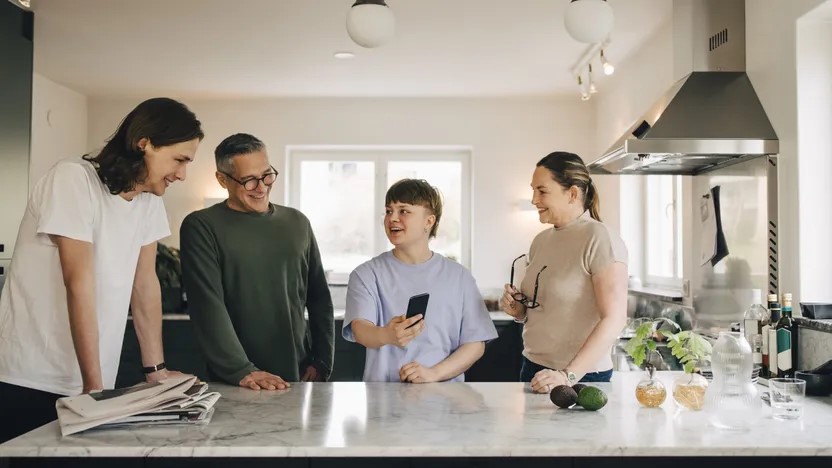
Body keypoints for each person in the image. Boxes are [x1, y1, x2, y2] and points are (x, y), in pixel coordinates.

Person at [0, 97, 203, 442]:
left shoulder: (148, 200)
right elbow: (78, 281)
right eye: (179, 159)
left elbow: (144, 284)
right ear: (145, 144)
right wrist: (93, 388)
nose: (182, 175)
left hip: (95, 381)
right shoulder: (72, 179)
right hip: (31, 376)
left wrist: (156, 371)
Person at [180, 133, 334, 391]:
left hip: (297, 376)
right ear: (222, 179)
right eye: (249, 180)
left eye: (267, 175)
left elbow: (319, 298)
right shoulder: (201, 226)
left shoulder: (297, 223)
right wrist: (242, 370)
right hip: (235, 381)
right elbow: (207, 306)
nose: (261, 187)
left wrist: (322, 360)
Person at [343, 179, 497, 383]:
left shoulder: (459, 277)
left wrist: (434, 374)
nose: (392, 218)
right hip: (384, 396)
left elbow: (475, 344)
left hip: (445, 397)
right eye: (389, 211)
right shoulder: (366, 274)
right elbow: (360, 329)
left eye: (404, 211)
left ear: (429, 221)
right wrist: (387, 335)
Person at [500, 151, 628, 393]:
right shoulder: (541, 241)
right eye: (533, 190)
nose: (534, 199)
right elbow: (544, 310)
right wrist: (519, 311)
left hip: (579, 376)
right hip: (533, 368)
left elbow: (614, 318)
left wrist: (567, 375)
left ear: (572, 193)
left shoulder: (599, 238)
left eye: (542, 191)